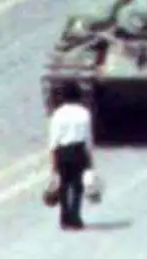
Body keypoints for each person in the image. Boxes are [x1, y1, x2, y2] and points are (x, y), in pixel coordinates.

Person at [47, 82, 96, 230]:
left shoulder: (57, 114)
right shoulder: (84, 113)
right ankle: (75, 218)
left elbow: (53, 142)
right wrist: (90, 161)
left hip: (62, 152)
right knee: (77, 185)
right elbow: (88, 138)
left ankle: (64, 217)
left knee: (63, 185)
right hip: (78, 151)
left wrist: (53, 166)